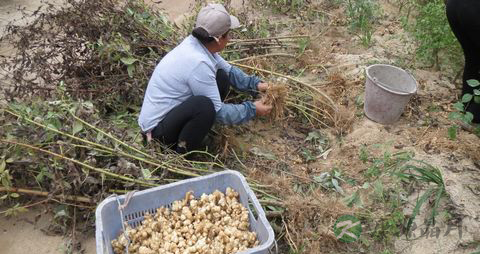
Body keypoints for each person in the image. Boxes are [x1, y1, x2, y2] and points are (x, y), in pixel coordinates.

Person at [138, 4, 272, 154]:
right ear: (219, 39)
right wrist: (252, 110)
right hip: (156, 132)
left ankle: (196, 129)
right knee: (205, 107)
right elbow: (219, 112)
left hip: (171, 116)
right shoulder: (198, 63)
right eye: (228, 34)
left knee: (221, 76)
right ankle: (180, 152)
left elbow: (229, 71)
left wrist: (257, 85)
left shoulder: (197, 44)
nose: (230, 38)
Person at [446, 0, 480, 123]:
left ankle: (468, 108)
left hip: (454, 6)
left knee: (473, 58)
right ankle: (475, 112)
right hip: (472, 9)